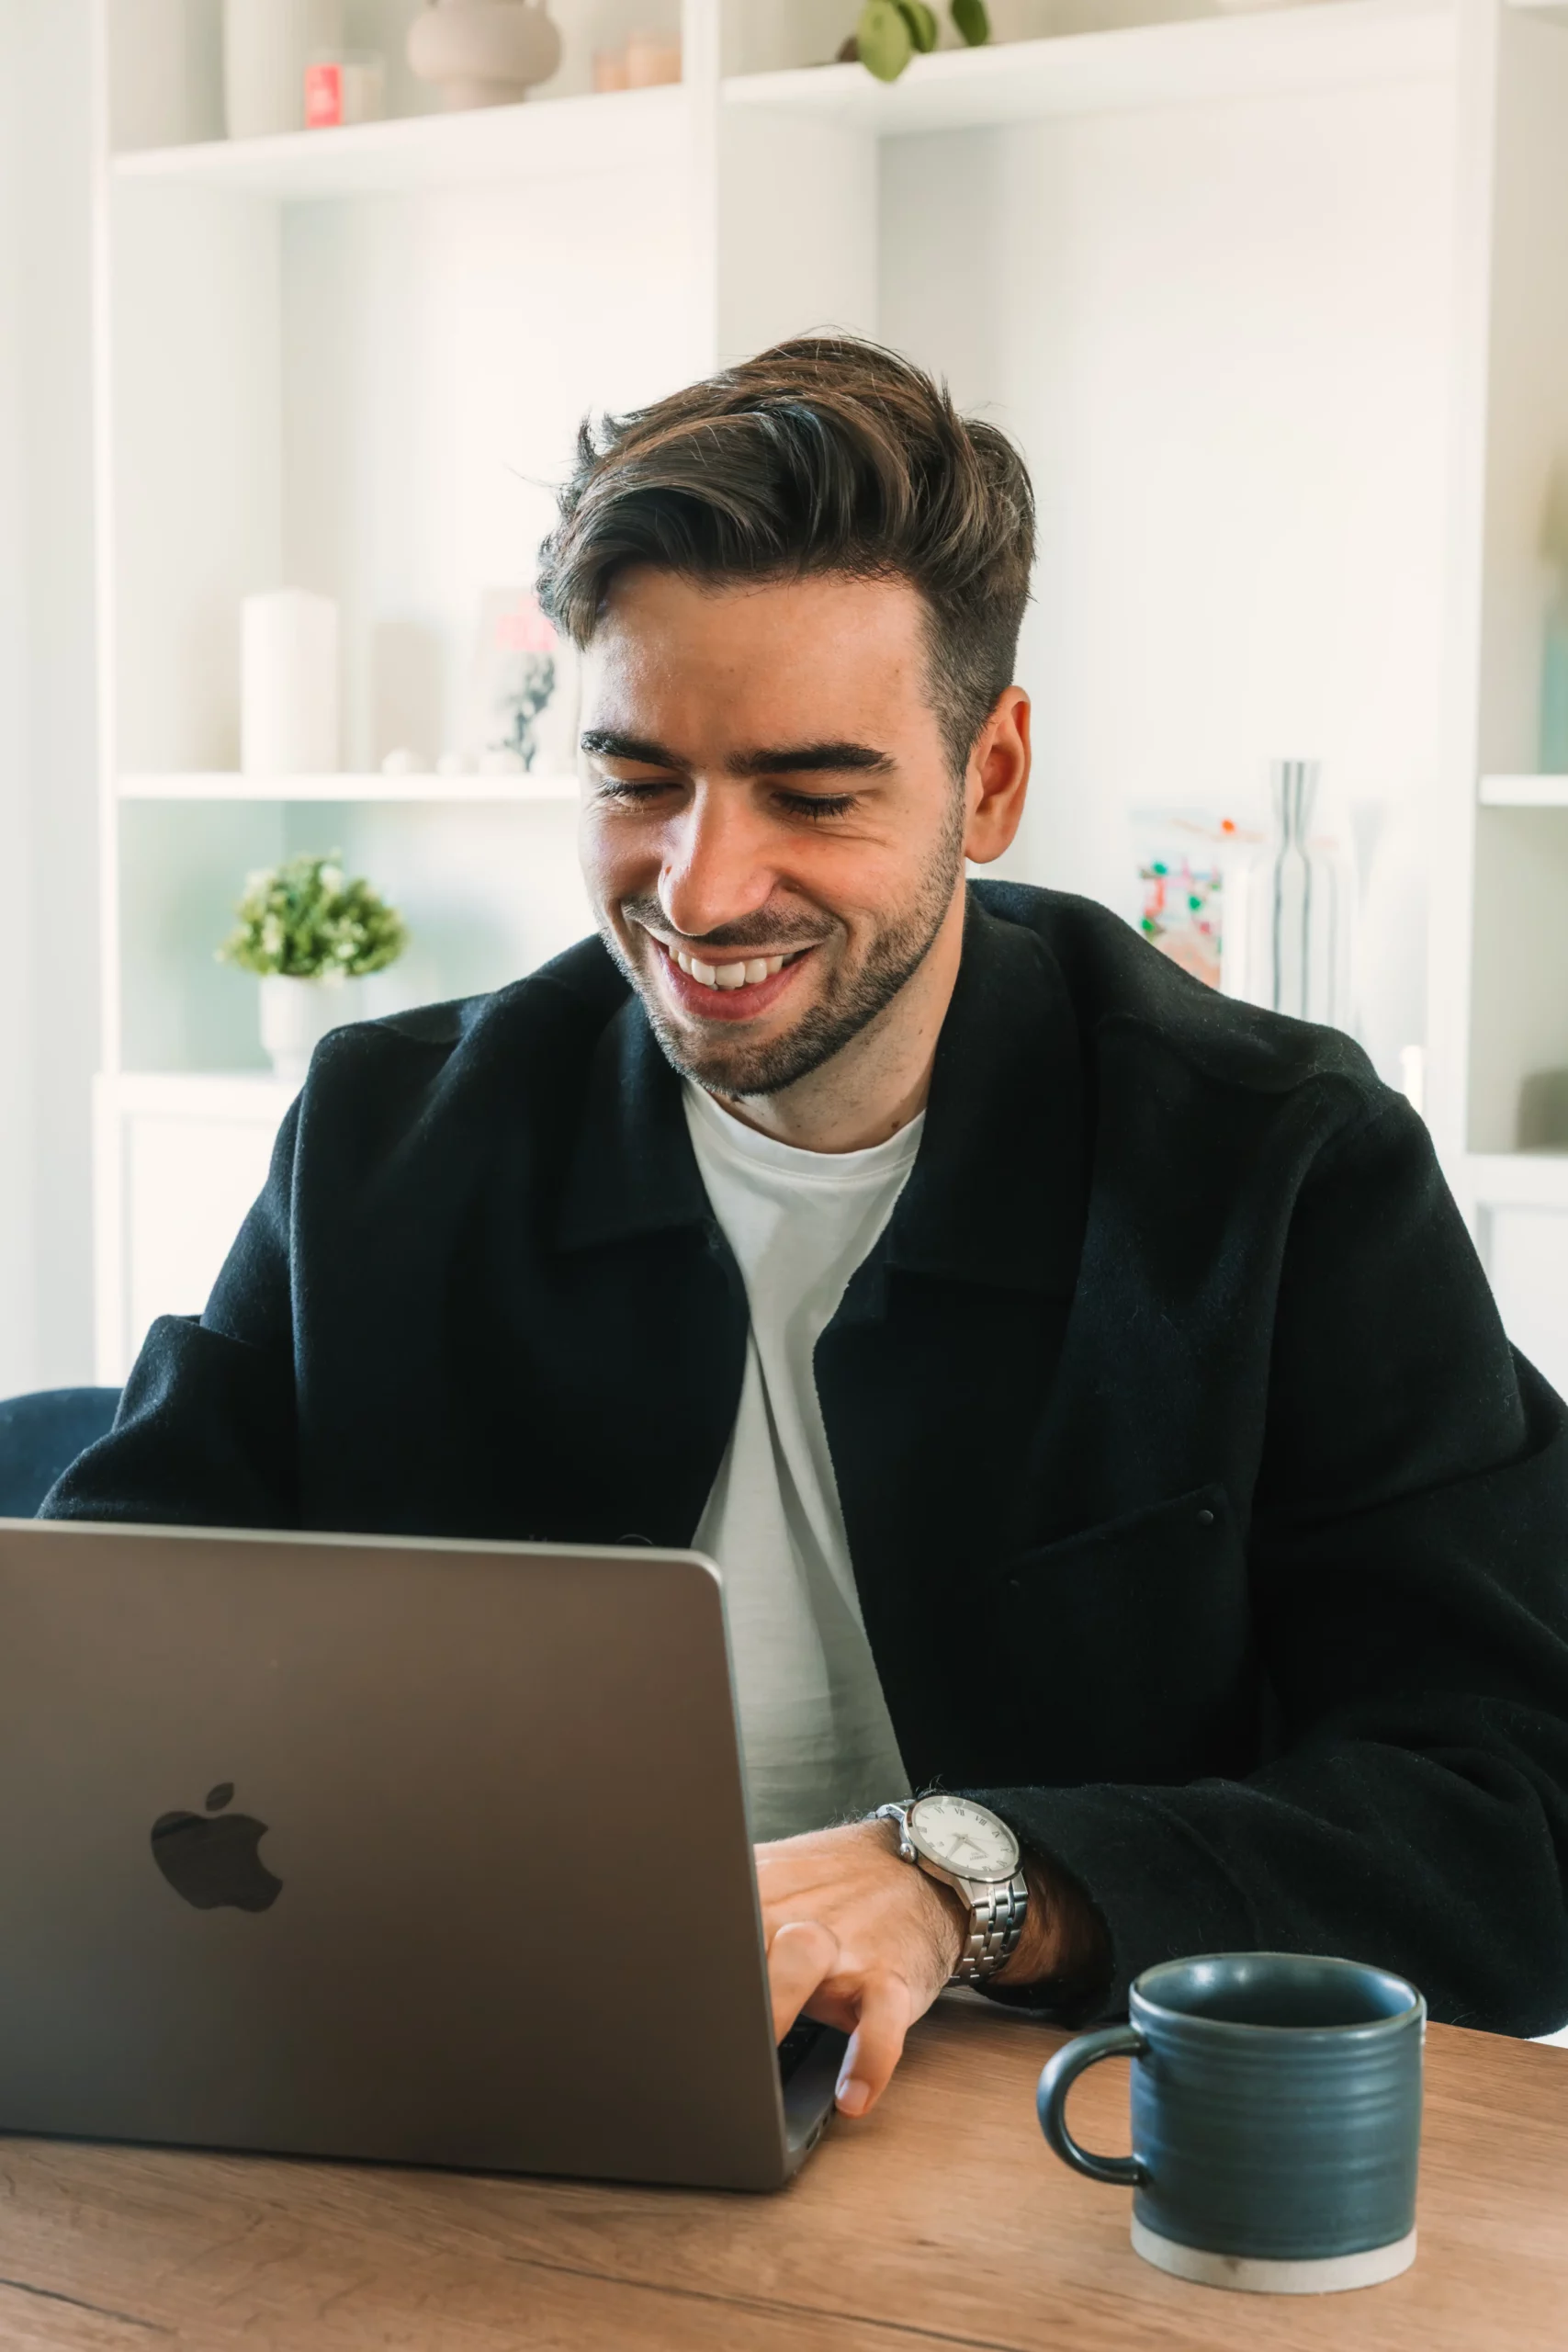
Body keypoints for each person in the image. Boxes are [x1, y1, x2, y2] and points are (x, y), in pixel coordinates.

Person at [47, 337, 1568, 2122]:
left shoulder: (1280, 1170)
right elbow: (101, 1643)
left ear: (988, 776)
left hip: (1066, 2149)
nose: (700, 885)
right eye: (638, 779)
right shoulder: (385, 1140)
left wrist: (966, 1880)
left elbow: (1512, 1816)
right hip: (463, 2118)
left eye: (812, 791)